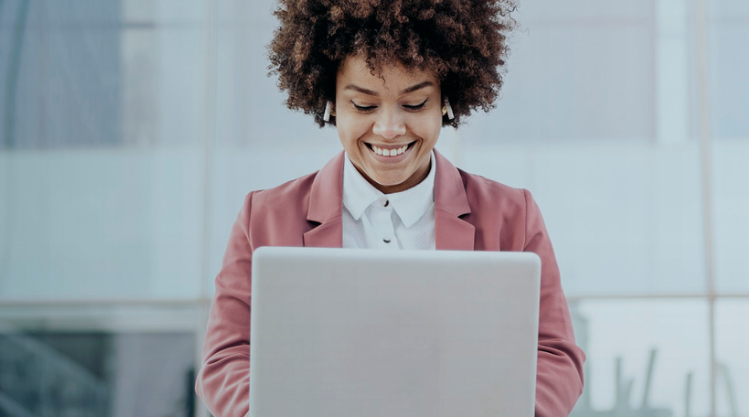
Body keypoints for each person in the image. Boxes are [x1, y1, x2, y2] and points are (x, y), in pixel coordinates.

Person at [195, 0, 585, 416]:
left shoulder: (512, 215)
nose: (389, 129)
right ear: (330, 102)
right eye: (364, 105)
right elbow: (225, 360)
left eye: (414, 104)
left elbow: (556, 356)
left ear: (445, 101)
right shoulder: (264, 217)